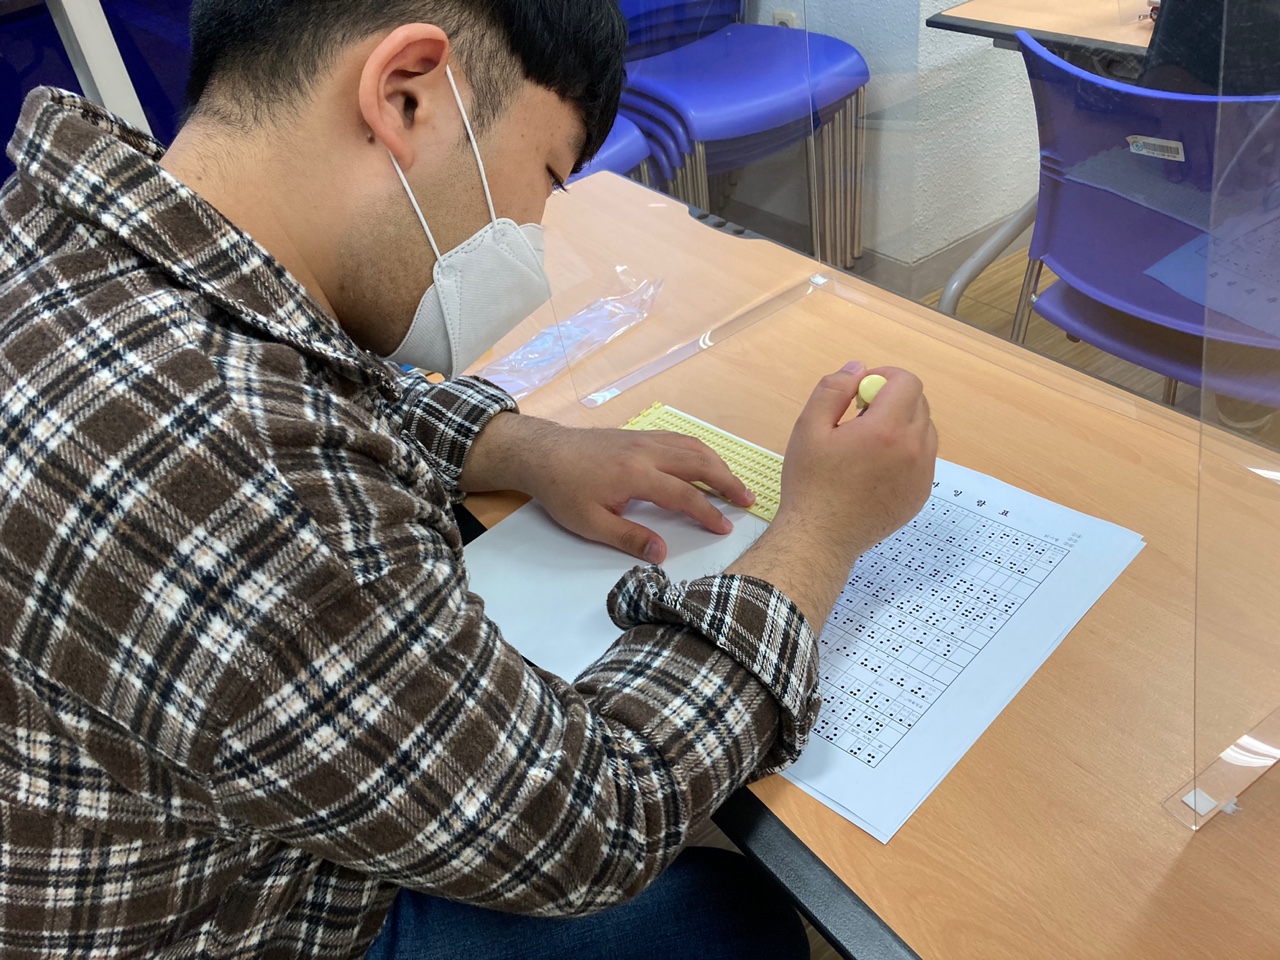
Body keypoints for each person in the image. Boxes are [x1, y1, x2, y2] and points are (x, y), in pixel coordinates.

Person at [0, 1, 938, 958]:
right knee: (726, 922)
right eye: (546, 178)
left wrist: (522, 447)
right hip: (238, 918)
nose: (531, 234)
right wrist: (820, 532)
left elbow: (312, 375)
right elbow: (590, 822)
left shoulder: (74, 239)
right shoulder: (247, 474)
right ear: (407, 96)